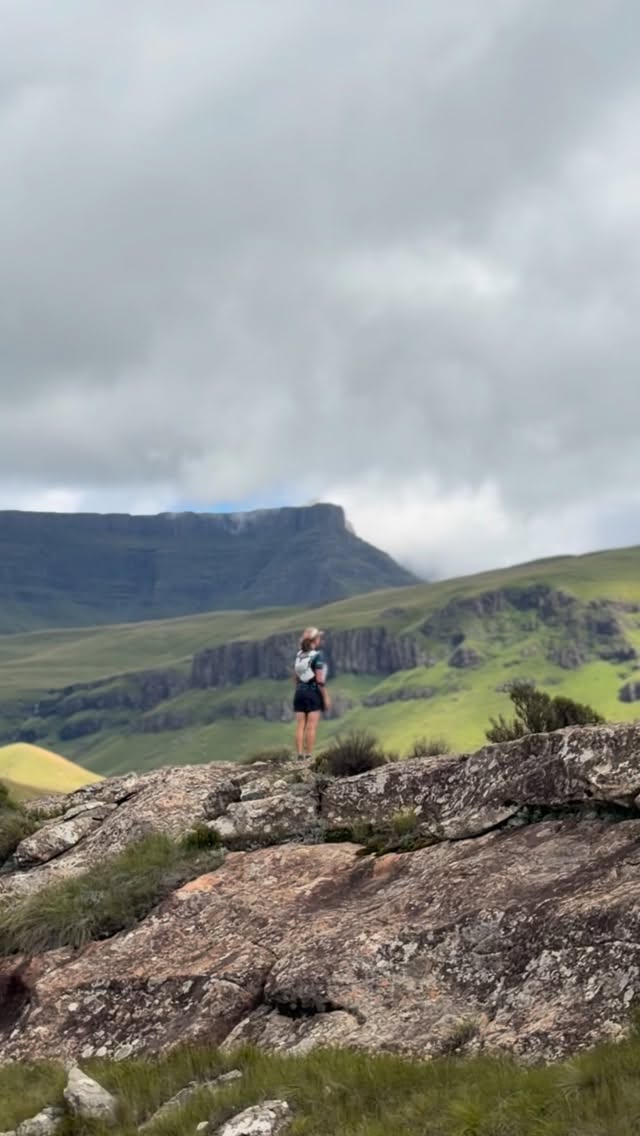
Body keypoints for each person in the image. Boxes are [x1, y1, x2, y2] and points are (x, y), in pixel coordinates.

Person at [292, 627, 330, 759]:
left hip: (299, 693)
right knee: (311, 726)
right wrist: (325, 697)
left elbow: (295, 677)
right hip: (313, 693)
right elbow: (319, 680)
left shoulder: (299, 655)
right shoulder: (317, 656)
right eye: (319, 637)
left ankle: (299, 754)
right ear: (315, 640)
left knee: (300, 725)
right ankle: (308, 755)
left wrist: (299, 689)